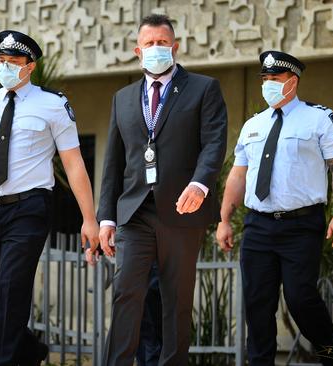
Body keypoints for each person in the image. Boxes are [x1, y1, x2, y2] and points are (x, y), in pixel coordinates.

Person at [0, 30, 99, 366]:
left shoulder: (53, 105)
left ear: (30, 66)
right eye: (1, 60)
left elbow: (73, 164)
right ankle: (29, 349)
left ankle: (4, 361)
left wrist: (89, 219)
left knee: (12, 285)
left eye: (13, 61)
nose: (5, 67)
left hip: (29, 209)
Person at [95, 14, 227, 365]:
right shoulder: (123, 98)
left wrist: (200, 184)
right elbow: (114, 163)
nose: (157, 49)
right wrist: (106, 218)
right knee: (125, 295)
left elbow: (214, 143)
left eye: (163, 42)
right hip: (135, 212)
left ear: (176, 46)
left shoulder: (203, 88)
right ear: (138, 51)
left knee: (176, 302)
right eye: (150, 44)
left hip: (182, 210)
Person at [216, 51, 333, 366]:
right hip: (258, 226)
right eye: (264, 79)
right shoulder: (253, 125)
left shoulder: (319, 118)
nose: (268, 85)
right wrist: (224, 219)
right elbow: (238, 175)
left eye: (274, 79)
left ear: (293, 82)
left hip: (301, 226)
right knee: (257, 304)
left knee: (301, 299)